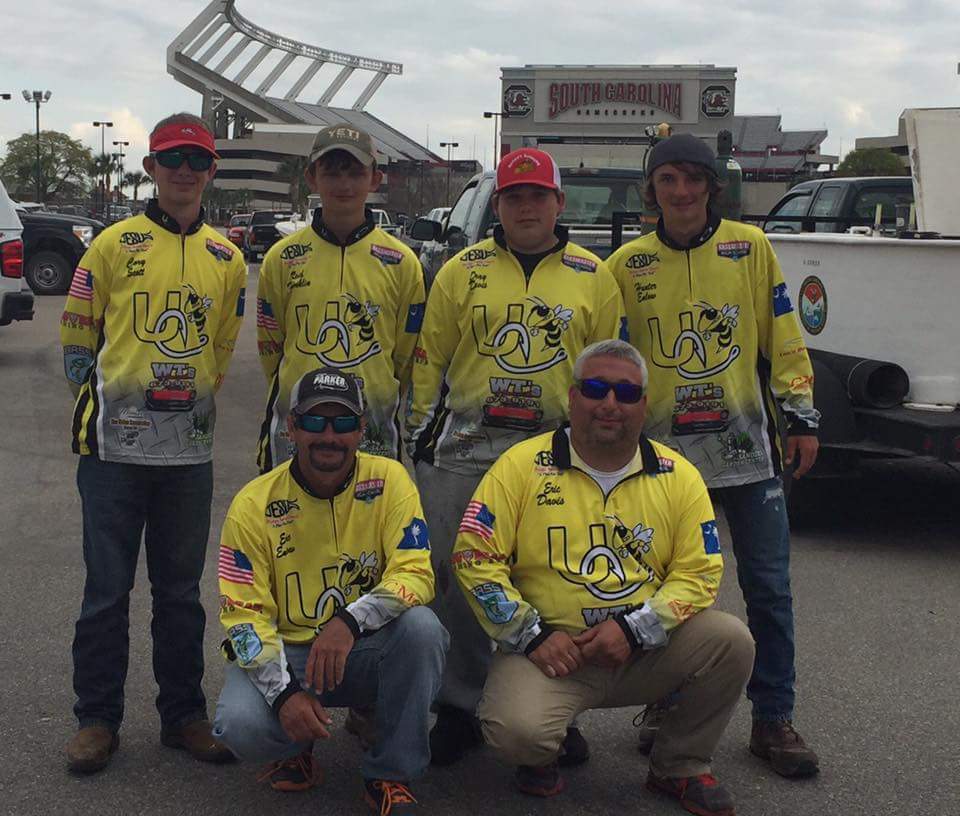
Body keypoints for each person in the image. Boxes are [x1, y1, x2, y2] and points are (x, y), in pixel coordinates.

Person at [452, 340, 754, 815]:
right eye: (595, 389)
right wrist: (531, 635)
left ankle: (679, 764)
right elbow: (474, 558)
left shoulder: (680, 476)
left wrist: (636, 630)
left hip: (644, 650)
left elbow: (699, 574)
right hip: (551, 654)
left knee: (731, 640)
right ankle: (544, 751)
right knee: (517, 735)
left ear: (644, 405)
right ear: (572, 398)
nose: (610, 404)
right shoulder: (519, 466)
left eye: (626, 393)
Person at [607, 133, 821, 777]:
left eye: (692, 179)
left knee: (769, 589)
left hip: (746, 451)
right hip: (663, 461)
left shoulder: (748, 248)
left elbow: (784, 338)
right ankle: (671, 706)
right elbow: (616, 361)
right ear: (652, 189)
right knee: (666, 593)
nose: (681, 191)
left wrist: (801, 416)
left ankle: (773, 718)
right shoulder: (628, 264)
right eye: (668, 180)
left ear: (710, 186)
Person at [406, 147, 628, 765]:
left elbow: (607, 369)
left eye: (538, 196)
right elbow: (430, 361)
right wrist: (420, 438)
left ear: (559, 202)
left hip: (557, 457)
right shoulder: (461, 269)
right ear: (498, 205)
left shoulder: (594, 275)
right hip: (465, 452)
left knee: (547, 579)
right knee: (456, 583)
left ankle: (554, 704)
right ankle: (458, 706)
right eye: (514, 197)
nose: (526, 207)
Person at [61, 113, 246, 772]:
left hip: (187, 455)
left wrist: (187, 407)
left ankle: (184, 716)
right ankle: (97, 720)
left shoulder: (228, 257)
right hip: (113, 452)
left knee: (180, 594)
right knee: (106, 593)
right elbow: (78, 331)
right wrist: (107, 402)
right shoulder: (112, 243)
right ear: (151, 167)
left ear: (211, 169)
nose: (185, 170)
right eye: (173, 158)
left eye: (197, 159)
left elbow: (222, 346)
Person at [212, 368, 447, 814]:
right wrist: (283, 695)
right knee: (239, 726)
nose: (329, 436)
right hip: (290, 654)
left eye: (342, 423)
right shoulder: (251, 504)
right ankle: (294, 745)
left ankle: (389, 773)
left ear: (361, 430)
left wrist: (349, 621)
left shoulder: (392, 480)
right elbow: (243, 618)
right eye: (315, 422)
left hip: (360, 646)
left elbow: (417, 573)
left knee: (423, 629)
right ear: (292, 427)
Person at [255, 124, 425, 471]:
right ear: (312, 178)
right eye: (331, 173)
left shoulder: (402, 262)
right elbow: (271, 348)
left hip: (372, 434)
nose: (343, 185)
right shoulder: (282, 258)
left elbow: (405, 357)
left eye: (355, 173)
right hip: (297, 434)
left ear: (374, 180)